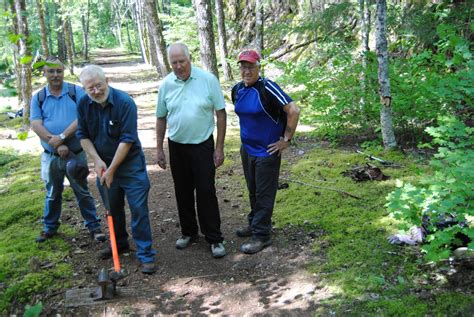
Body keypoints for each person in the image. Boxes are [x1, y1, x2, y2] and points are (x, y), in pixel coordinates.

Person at [76, 65, 157, 274]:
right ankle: (119, 243)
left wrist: (111, 169)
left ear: (107, 81)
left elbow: (127, 139)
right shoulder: (84, 103)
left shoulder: (124, 102)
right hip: (104, 166)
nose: (95, 91)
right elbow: (83, 136)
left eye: (98, 85)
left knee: (138, 210)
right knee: (112, 207)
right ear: (84, 89)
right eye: (89, 88)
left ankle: (145, 253)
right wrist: (97, 160)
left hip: (130, 166)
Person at [156, 43, 227, 258]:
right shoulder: (166, 84)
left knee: (206, 191)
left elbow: (221, 114)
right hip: (177, 146)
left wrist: (219, 147)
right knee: (182, 191)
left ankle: (214, 238)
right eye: (174, 63)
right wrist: (159, 148)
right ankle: (189, 231)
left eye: (182, 61)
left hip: (202, 145)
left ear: (190, 58)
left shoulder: (208, 80)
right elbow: (161, 117)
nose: (178, 66)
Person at [30, 57, 105, 243]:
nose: (55, 75)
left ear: (63, 72)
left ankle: (94, 227)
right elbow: (35, 124)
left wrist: (62, 137)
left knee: (82, 191)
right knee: (52, 193)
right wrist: (55, 142)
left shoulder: (75, 92)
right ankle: (50, 227)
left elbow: (83, 117)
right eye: (51, 71)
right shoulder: (38, 97)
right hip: (51, 156)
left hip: (75, 154)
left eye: (59, 71)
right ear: (45, 73)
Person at [232, 49, 300, 254]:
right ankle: (255, 223)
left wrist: (286, 140)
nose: (246, 71)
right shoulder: (237, 90)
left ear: (258, 67)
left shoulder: (267, 87)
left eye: (251, 66)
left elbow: (293, 110)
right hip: (247, 150)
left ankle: (262, 236)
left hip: (266, 152)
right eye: (243, 67)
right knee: (253, 189)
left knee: (264, 193)